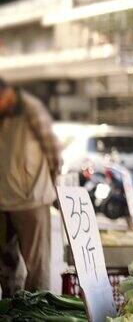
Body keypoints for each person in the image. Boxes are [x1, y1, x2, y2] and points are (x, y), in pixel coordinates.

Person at [0, 78, 61, 292]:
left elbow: (52, 150)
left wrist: (51, 186)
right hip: (3, 201)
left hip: (31, 200)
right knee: (7, 268)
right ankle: (12, 311)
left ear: (7, 93)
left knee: (37, 266)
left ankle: (38, 312)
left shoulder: (30, 109)